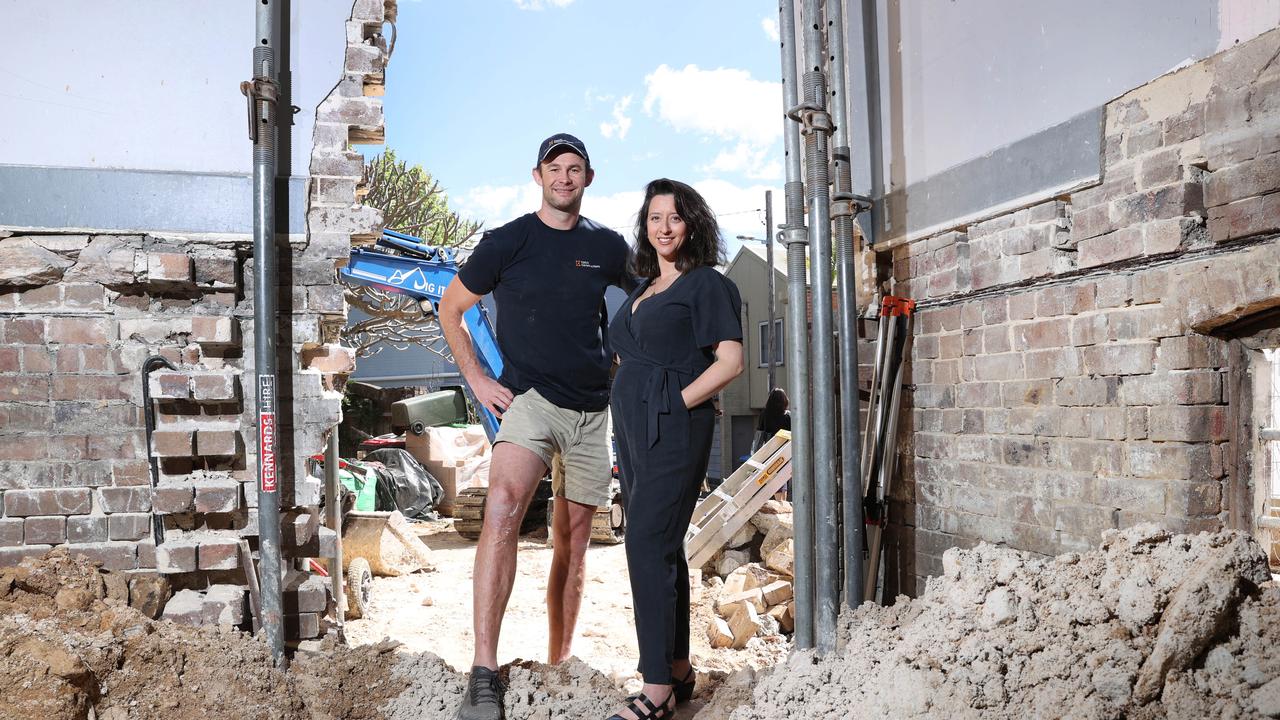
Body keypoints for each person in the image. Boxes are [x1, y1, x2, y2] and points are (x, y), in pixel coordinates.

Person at [439, 133, 632, 720]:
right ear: (538, 175)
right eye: (555, 168)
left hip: (593, 411)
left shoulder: (608, 245)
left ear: (588, 179)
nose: (565, 178)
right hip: (531, 401)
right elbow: (452, 309)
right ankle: (483, 671)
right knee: (501, 508)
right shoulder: (508, 241)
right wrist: (476, 379)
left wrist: (626, 366)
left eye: (575, 169)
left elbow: (648, 299)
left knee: (572, 545)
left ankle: (560, 662)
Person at [606, 179, 744, 720]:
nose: (664, 227)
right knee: (661, 547)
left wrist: (671, 403)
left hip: (674, 427)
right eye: (655, 217)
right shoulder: (643, 290)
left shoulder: (706, 284)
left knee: (644, 544)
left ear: (693, 225)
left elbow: (729, 362)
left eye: (675, 217)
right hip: (634, 431)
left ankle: (657, 688)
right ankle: (680, 669)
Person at [752, 387, 791, 453]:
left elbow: (759, 435)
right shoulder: (787, 416)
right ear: (784, 400)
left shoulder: (764, 414)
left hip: (769, 450)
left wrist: (755, 452)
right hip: (784, 450)